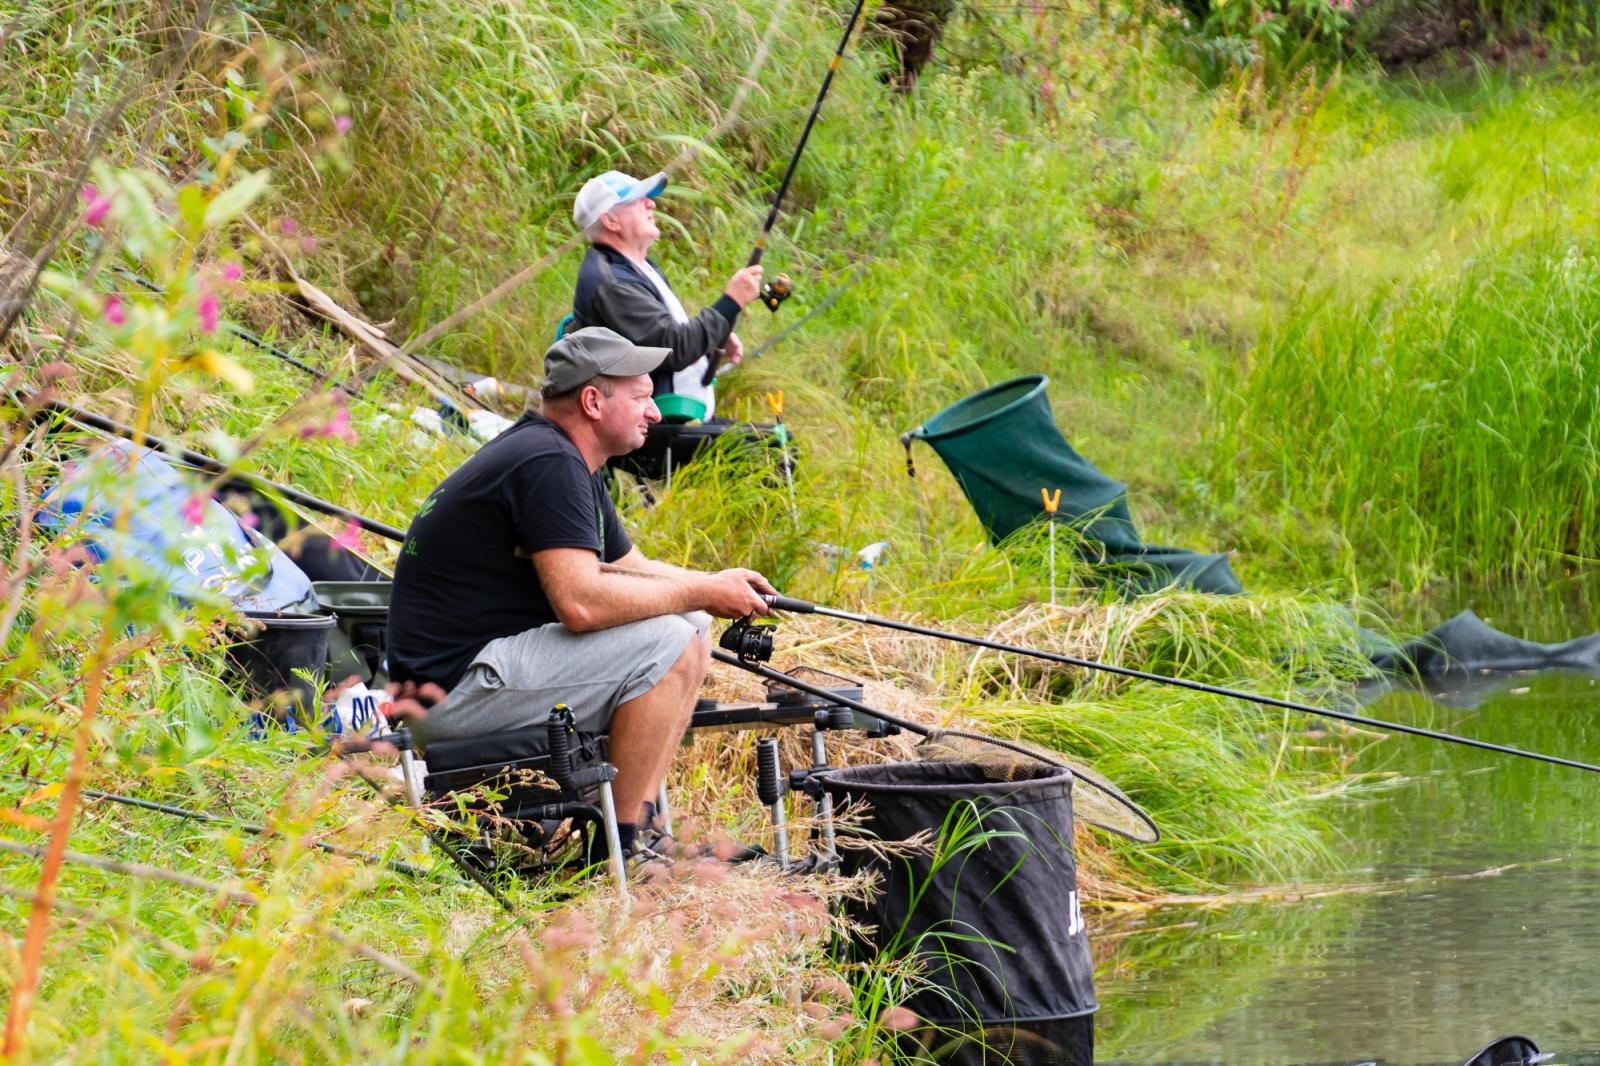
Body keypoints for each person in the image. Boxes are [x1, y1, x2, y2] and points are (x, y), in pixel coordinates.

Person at [386, 327, 776, 858]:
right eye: (642, 397)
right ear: (593, 401)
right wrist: (703, 591)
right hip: (449, 696)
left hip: (471, 676)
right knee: (673, 641)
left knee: (692, 625)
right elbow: (582, 603)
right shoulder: (546, 461)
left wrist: (716, 585)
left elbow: (629, 569)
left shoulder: (562, 457)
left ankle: (645, 830)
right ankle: (623, 848)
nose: (656, 413)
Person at [570, 170, 764, 418]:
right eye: (638, 199)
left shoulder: (639, 266)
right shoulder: (614, 284)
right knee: (777, 447)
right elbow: (674, 349)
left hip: (681, 412)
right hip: (652, 426)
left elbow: (659, 335)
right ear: (611, 221)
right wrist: (731, 301)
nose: (651, 203)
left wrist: (714, 337)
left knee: (774, 442)